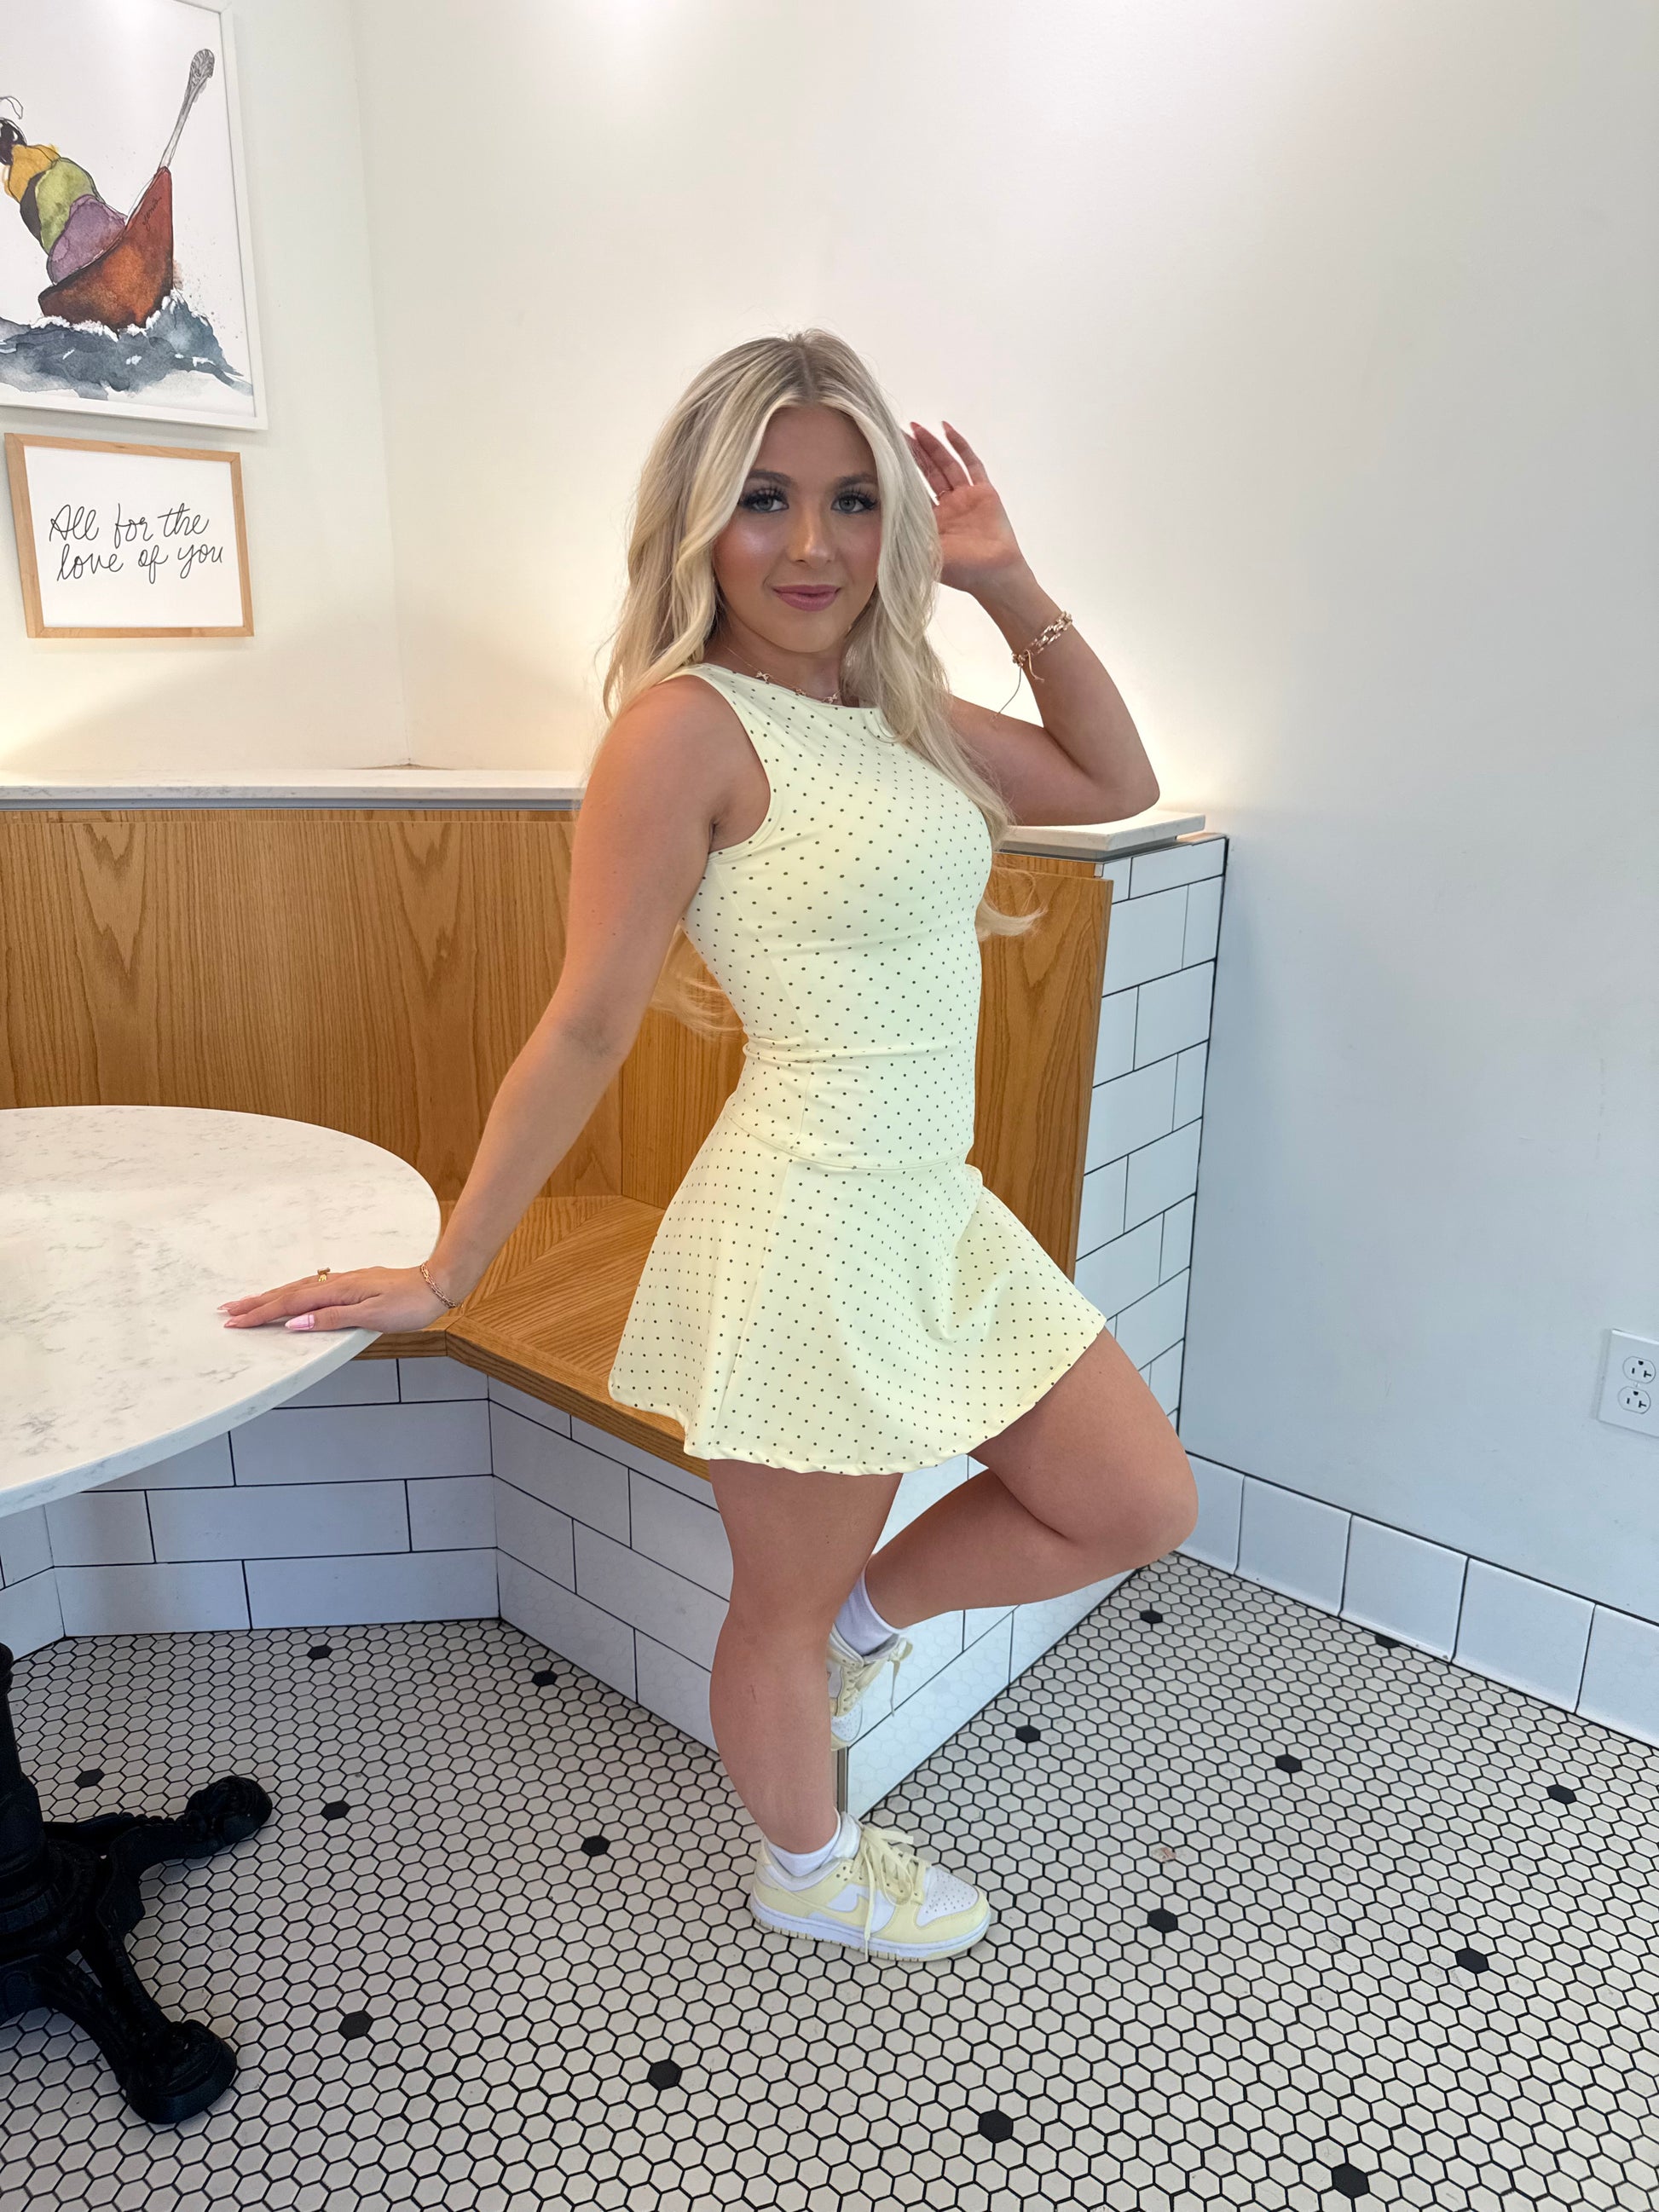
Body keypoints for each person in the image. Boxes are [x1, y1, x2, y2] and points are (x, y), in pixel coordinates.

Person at [220, 330, 1199, 1960]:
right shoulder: (684, 730)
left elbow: (1116, 779)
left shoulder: (901, 712)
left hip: (934, 1209)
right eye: (762, 498)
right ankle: (805, 1870)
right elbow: (584, 1026)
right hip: (809, 1221)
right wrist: (451, 1272)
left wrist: (1002, 576)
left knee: (1133, 1499)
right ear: (695, 519)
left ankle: (863, 1627)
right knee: (778, 1614)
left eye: (852, 500)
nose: (811, 543)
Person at [0, 99, 126, 285]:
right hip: (99, 228)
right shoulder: (60, 165)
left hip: (68, 260)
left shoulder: (21, 195)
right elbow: (96, 197)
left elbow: (44, 239)